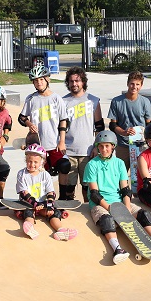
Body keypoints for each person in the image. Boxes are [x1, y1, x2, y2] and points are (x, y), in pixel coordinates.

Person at [84, 131, 151, 264]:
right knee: (107, 220)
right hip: (100, 204)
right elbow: (95, 194)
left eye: (107, 146)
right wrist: (112, 210)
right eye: (101, 146)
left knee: (144, 214)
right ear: (97, 147)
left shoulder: (119, 163)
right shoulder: (92, 165)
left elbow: (125, 190)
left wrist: (125, 209)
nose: (104, 149)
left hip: (119, 201)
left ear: (113, 146)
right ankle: (117, 249)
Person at [16, 144, 78, 241]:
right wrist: (35, 204)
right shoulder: (22, 174)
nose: (32, 164)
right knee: (28, 212)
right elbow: (24, 193)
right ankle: (30, 228)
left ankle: (60, 231)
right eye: (29, 161)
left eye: (35, 162)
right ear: (26, 160)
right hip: (28, 204)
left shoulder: (45, 175)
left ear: (42, 162)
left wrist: (49, 205)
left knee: (55, 212)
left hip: (43, 205)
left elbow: (51, 193)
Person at [18, 65, 71, 177]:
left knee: (64, 166)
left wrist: (62, 141)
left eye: (41, 79)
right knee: (39, 173)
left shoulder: (56, 98)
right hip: (37, 144)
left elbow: (63, 120)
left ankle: (64, 195)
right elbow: (21, 118)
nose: (39, 82)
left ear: (48, 79)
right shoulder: (31, 99)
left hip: (54, 143)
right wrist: (29, 123)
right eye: (36, 80)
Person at [60, 67, 103, 201]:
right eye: (71, 81)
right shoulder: (63, 101)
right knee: (69, 187)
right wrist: (61, 142)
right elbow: (61, 125)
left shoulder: (93, 100)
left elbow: (99, 126)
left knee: (87, 187)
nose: (74, 84)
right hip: (69, 150)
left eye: (77, 81)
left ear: (83, 81)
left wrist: (97, 146)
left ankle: (88, 209)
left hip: (88, 150)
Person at [107, 70, 151, 169]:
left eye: (137, 84)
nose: (134, 87)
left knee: (140, 175)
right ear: (127, 84)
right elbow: (112, 125)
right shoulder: (116, 101)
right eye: (132, 84)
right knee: (120, 175)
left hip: (140, 144)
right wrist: (124, 132)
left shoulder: (145, 102)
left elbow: (148, 124)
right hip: (123, 144)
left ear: (141, 86)